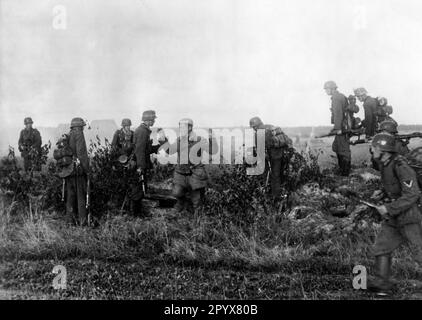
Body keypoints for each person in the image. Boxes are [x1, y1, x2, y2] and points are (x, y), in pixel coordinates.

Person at [369, 133, 422, 294]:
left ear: (383, 150)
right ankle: (382, 284)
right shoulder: (385, 164)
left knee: (419, 253)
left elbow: (413, 194)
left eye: (374, 147)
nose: (372, 150)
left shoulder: (400, 166)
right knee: (381, 247)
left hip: (408, 217)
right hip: (393, 218)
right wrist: (382, 193)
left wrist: (389, 208)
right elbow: (393, 187)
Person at [161, 118, 218, 214]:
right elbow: (170, 151)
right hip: (181, 172)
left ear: (190, 127)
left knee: (197, 199)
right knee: (177, 192)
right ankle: (182, 203)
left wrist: (212, 139)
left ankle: (198, 219)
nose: (181, 129)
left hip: (195, 172)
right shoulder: (179, 140)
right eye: (180, 127)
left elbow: (213, 151)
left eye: (183, 127)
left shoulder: (199, 140)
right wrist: (163, 141)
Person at [249, 116, 292, 199]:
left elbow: (260, 150)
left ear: (255, 126)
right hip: (281, 153)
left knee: (273, 175)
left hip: (273, 156)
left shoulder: (259, 132)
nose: (253, 129)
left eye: (253, 127)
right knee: (279, 174)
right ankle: (282, 192)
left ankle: (275, 196)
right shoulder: (270, 126)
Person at [132, 110, 161, 216]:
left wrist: (157, 147)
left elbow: (145, 150)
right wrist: (140, 167)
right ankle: (136, 215)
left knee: (140, 188)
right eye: (153, 119)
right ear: (149, 120)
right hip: (138, 165)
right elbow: (139, 151)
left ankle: (138, 213)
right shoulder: (143, 131)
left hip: (139, 164)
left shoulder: (144, 130)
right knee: (138, 190)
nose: (154, 121)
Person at [324, 81, 351, 176]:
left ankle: (345, 173)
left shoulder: (336, 98)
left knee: (343, 150)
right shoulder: (339, 96)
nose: (326, 91)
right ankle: (342, 171)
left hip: (342, 128)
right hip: (342, 126)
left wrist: (337, 128)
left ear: (332, 88)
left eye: (327, 89)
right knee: (337, 147)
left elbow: (338, 114)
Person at [66, 117, 90, 226]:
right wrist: (87, 170)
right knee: (81, 197)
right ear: (79, 126)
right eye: (82, 126)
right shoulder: (79, 134)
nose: (83, 128)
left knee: (71, 196)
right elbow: (82, 154)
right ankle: (83, 222)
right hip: (78, 171)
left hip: (68, 170)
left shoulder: (70, 134)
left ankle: (70, 221)